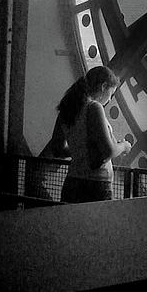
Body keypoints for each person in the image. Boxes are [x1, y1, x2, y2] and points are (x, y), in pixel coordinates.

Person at [46, 66, 131, 203]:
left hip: (72, 181)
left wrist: (80, 150)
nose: (109, 100)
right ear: (104, 86)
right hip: (96, 184)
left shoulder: (67, 109)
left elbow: (57, 149)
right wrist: (124, 146)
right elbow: (108, 151)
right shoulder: (94, 108)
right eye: (111, 94)